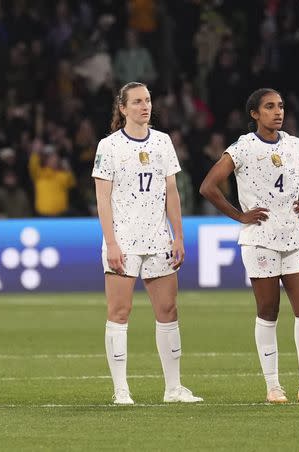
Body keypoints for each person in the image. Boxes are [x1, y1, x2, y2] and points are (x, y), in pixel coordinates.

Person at [199, 88, 299, 403]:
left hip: (293, 236)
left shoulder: (294, 144)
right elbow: (208, 186)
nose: (278, 112)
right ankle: (274, 387)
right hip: (260, 239)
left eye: (280, 106)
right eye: (269, 107)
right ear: (254, 114)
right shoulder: (243, 147)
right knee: (268, 310)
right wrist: (240, 216)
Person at [92, 81, 202, 405]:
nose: (145, 106)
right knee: (120, 312)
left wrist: (178, 235)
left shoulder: (163, 142)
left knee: (168, 310)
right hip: (123, 241)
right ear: (123, 108)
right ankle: (121, 390)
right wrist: (111, 243)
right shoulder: (108, 146)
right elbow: (102, 198)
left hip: (158, 239)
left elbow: (172, 191)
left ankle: (173, 388)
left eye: (148, 100)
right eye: (138, 101)